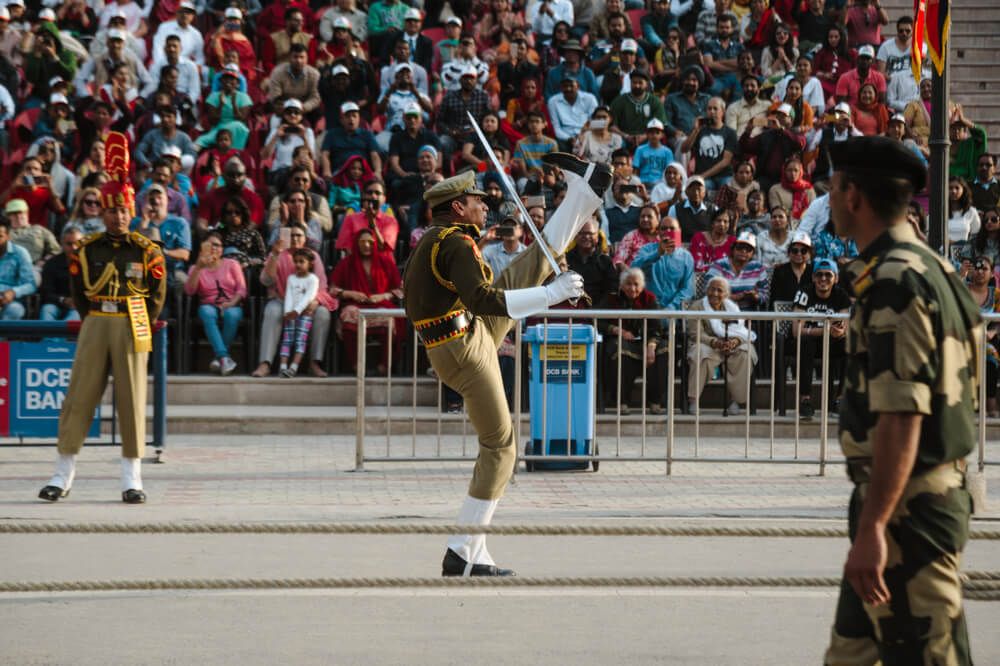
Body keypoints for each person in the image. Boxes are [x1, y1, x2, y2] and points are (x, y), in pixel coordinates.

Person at [402, 154, 611, 577]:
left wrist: (545, 290)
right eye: (478, 199)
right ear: (458, 206)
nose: (486, 204)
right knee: (501, 448)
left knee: (530, 263)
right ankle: (462, 549)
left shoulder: (440, 238)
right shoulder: (455, 243)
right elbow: (481, 298)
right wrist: (551, 297)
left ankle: (582, 196)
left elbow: (479, 301)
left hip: (464, 334)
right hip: (464, 346)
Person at [822, 135, 979, 665]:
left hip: (907, 513)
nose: (829, 195)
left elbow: (902, 416)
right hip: (902, 505)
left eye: (834, 185)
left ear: (852, 196)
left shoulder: (895, 280)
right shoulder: (934, 267)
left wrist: (872, 530)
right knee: (851, 655)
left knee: (931, 658)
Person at [38, 133, 166, 505]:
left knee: (131, 399)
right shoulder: (87, 249)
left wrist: (137, 318)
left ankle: (132, 480)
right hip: (96, 319)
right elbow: (79, 293)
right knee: (78, 397)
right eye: (112, 210)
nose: (119, 216)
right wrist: (94, 317)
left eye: (125, 210)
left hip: (133, 321)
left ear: (133, 210)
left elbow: (156, 297)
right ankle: (62, 476)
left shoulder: (147, 250)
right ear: (103, 211)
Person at [253, 223, 335, 378]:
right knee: (272, 310)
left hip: (309, 301)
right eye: (292, 235)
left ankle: (314, 363)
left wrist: (316, 301)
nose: (295, 238)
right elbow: (266, 281)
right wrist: (275, 255)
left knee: (323, 313)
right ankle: (265, 363)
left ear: (305, 238)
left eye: (299, 235)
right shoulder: (277, 254)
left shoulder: (313, 256)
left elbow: (322, 285)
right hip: (283, 300)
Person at [329, 227, 404, 374]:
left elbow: (400, 290)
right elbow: (332, 289)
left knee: (387, 318)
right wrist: (349, 293)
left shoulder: (385, 262)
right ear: (356, 243)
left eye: (370, 242)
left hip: (381, 304)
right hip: (355, 305)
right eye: (362, 242)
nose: (366, 245)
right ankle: (356, 365)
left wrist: (383, 296)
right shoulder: (346, 263)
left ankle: (384, 365)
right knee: (349, 315)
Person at [599, 267, 669, 414]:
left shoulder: (649, 298)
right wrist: (617, 330)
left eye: (636, 284)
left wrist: (651, 346)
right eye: (628, 284)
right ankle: (622, 402)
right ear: (621, 285)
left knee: (663, 350)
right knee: (619, 351)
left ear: (642, 286)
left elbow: (657, 327)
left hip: (646, 340)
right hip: (621, 339)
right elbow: (598, 320)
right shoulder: (612, 298)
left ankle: (655, 401)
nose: (632, 288)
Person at [686, 276, 757, 415]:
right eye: (712, 289)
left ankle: (735, 400)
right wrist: (716, 342)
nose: (715, 293)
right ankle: (694, 400)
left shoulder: (732, 308)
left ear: (726, 295)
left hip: (730, 344)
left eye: (719, 290)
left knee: (745, 353)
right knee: (700, 353)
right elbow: (696, 334)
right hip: (707, 344)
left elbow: (741, 332)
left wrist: (734, 342)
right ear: (706, 291)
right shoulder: (697, 307)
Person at [790, 257, 849, 419]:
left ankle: (839, 400)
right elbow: (796, 331)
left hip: (832, 342)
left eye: (828, 275)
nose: (823, 279)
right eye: (819, 275)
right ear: (813, 277)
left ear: (835, 278)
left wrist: (840, 333)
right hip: (809, 343)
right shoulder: (804, 293)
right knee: (806, 343)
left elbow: (845, 327)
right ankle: (805, 401)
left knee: (850, 345)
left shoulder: (841, 295)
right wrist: (826, 330)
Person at [184, 231, 246, 375]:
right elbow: (190, 291)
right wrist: (199, 268)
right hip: (209, 305)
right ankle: (223, 356)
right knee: (206, 312)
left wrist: (232, 303)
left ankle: (220, 359)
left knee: (232, 315)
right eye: (209, 245)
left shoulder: (232, 264)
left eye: (217, 245)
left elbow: (242, 289)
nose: (213, 248)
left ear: (222, 249)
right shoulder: (195, 268)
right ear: (202, 248)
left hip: (232, 304)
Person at [631, 216, 694, 310]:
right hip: (647, 308)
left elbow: (687, 290)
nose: (668, 231)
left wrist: (671, 308)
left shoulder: (686, 257)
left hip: (673, 312)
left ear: (679, 231)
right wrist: (657, 253)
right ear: (658, 232)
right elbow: (634, 269)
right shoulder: (647, 249)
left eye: (672, 228)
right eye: (664, 228)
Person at [681, 96, 738, 191]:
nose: (712, 111)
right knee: (700, 188)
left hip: (723, 175)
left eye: (715, 109)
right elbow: (684, 149)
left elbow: (726, 161)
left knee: (728, 188)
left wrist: (702, 176)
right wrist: (695, 131)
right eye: (709, 108)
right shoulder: (700, 130)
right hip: (704, 178)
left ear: (723, 112)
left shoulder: (730, 133)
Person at [706, 231, 769, 310]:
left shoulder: (758, 268)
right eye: (740, 247)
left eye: (748, 249)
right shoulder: (719, 265)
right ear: (733, 249)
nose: (743, 251)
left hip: (749, 313)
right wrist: (736, 297)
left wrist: (755, 296)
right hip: (721, 311)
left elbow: (764, 294)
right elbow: (709, 291)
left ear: (753, 253)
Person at [566, 219, 617, 304]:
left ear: (597, 236)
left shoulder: (605, 261)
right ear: (575, 235)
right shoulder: (567, 259)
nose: (586, 236)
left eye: (590, 233)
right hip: (571, 309)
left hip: (599, 311)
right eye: (582, 233)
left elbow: (611, 289)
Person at [39, 226, 84, 322]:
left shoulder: (91, 264)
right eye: (69, 244)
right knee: (47, 310)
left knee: (77, 314)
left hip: (81, 305)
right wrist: (63, 300)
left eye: (77, 243)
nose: (74, 247)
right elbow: (46, 292)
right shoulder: (52, 263)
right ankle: (49, 337)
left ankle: (53, 338)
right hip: (56, 303)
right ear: (62, 244)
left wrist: (79, 302)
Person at [769, 229, 813, 303]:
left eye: (803, 251)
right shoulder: (780, 270)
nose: (799, 254)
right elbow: (774, 297)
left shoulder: (814, 271)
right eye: (795, 251)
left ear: (809, 254)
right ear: (789, 252)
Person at [612, 203, 660, 271]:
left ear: (657, 220)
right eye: (642, 216)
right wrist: (627, 271)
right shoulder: (631, 236)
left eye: (649, 216)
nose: (645, 219)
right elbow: (619, 260)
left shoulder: (663, 237)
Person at [769, 156, 816, 223]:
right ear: (784, 171)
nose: (793, 174)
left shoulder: (808, 189)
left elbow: (813, 210)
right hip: (784, 225)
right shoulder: (775, 190)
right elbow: (777, 213)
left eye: (796, 170)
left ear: (800, 172)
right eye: (789, 170)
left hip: (806, 223)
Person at [690, 207, 736, 273]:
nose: (722, 224)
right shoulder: (698, 238)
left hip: (724, 280)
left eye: (725, 222)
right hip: (700, 279)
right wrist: (718, 268)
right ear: (712, 223)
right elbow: (696, 266)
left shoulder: (732, 241)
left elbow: (734, 267)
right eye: (718, 220)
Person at [947, 176, 980, 244]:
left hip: (963, 252)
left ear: (963, 190)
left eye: (957, 188)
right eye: (950, 188)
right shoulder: (937, 210)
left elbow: (976, 237)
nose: (953, 191)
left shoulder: (971, 211)